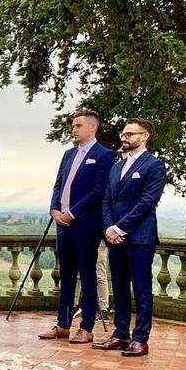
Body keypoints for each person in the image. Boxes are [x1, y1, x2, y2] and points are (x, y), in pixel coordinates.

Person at [38, 111, 113, 344]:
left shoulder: (104, 155)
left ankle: (87, 327)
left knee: (88, 275)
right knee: (66, 275)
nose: (74, 129)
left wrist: (72, 213)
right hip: (62, 225)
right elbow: (58, 185)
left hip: (85, 225)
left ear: (92, 128)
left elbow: (98, 191)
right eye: (73, 125)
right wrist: (54, 209)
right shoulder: (68, 154)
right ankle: (62, 325)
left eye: (78, 125)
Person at [93, 118, 166, 357]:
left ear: (145, 136)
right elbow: (106, 200)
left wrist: (120, 228)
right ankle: (120, 333)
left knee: (142, 290)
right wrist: (108, 229)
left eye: (130, 134)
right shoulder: (116, 167)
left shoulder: (153, 166)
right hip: (115, 238)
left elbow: (147, 203)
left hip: (140, 238)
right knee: (120, 287)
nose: (124, 138)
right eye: (123, 134)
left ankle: (141, 339)